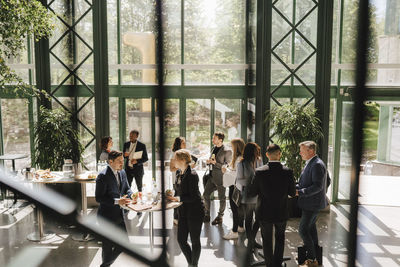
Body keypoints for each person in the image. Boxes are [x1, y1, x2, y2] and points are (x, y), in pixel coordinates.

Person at [247, 144, 296, 267]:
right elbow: (291, 192)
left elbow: (252, 192)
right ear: (280, 154)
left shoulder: (259, 172)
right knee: (280, 239)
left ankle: (269, 264)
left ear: (267, 155)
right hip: (281, 211)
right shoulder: (288, 171)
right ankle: (277, 264)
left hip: (264, 212)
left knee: (267, 240)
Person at [167, 149, 205, 267]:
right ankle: (191, 263)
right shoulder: (179, 173)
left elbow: (193, 197)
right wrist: (172, 195)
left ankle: (194, 264)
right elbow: (179, 191)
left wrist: (177, 199)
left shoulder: (192, 175)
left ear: (183, 160)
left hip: (195, 211)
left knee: (195, 240)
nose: (173, 160)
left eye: (175, 158)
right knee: (181, 240)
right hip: (183, 211)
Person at [95, 150, 133, 267]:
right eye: (119, 161)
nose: (122, 163)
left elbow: (127, 188)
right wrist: (118, 201)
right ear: (110, 161)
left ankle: (104, 265)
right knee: (107, 246)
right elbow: (99, 198)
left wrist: (132, 195)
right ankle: (105, 265)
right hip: (106, 216)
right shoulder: (102, 176)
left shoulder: (122, 172)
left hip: (118, 215)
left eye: (123, 161)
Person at [297, 141, 329, 267]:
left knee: (303, 230)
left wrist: (300, 192)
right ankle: (314, 257)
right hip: (312, 203)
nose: (300, 153)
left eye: (302, 150)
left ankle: (311, 260)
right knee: (311, 229)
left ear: (310, 151)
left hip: (312, 204)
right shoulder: (313, 162)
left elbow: (317, 186)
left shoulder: (316, 164)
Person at [236, 142, 262, 249]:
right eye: (256, 150)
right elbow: (239, 180)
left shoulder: (258, 161)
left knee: (260, 218)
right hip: (248, 194)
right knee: (249, 219)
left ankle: (251, 239)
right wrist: (251, 182)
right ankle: (251, 241)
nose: (257, 152)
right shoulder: (241, 164)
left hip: (259, 194)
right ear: (251, 151)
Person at [203, 132, 232, 225]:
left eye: (214, 138)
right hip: (211, 177)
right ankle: (207, 214)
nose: (212, 140)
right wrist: (209, 162)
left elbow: (226, 165)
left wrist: (215, 163)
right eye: (213, 138)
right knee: (205, 195)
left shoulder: (227, 151)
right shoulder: (213, 148)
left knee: (222, 198)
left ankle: (220, 216)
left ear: (220, 140)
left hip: (221, 178)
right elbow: (212, 160)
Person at [170, 137, 197, 225]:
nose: (185, 145)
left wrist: (187, 167)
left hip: (185, 177)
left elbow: (193, 196)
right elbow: (171, 168)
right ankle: (176, 218)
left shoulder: (185, 154)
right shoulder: (174, 155)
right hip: (177, 180)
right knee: (177, 197)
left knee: (183, 197)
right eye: (183, 143)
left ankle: (183, 217)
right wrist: (181, 166)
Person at [221, 138, 245, 240]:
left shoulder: (239, 159)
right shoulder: (240, 158)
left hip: (235, 187)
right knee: (238, 209)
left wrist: (226, 170)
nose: (230, 148)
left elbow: (237, 174)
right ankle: (240, 227)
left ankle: (234, 232)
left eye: (232, 146)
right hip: (238, 186)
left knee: (235, 209)